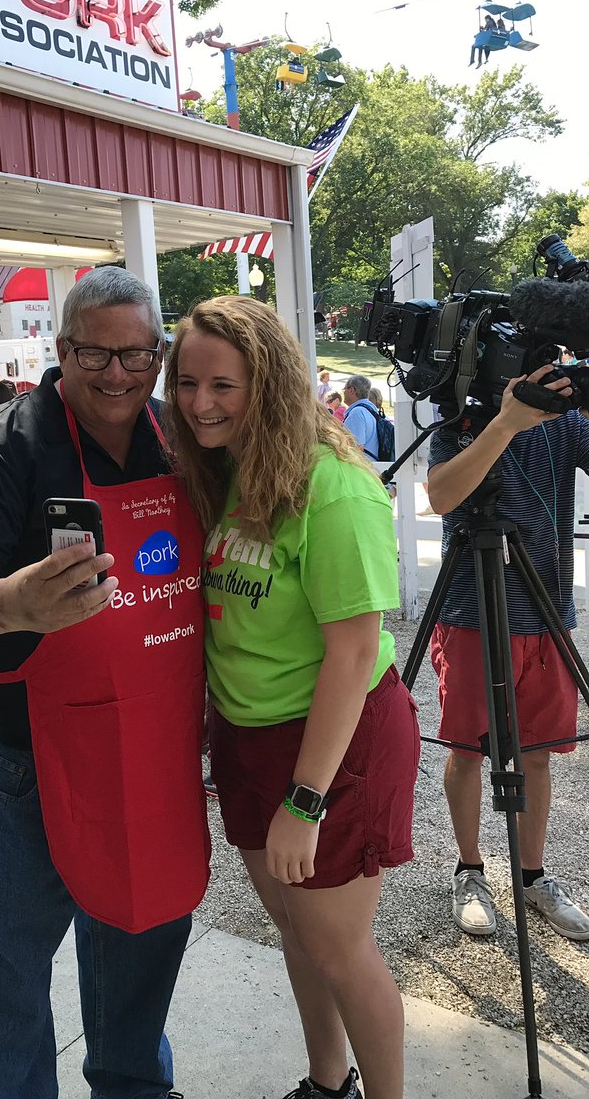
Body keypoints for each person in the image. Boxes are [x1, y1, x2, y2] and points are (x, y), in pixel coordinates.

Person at [0, 266, 210, 1099]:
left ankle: (133, 1086)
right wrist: (15, 600)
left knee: (144, 928)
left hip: (151, 742)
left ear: (158, 354)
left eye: (137, 356)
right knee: (13, 950)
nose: (118, 375)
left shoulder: (178, 438)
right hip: (29, 754)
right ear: (63, 349)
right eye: (96, 354)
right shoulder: (5, 444)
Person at [165, 296, 420, 1099]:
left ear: (268, 382)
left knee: (342, 950)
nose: (200, 403)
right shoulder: (231, 466)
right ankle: (326, 1082)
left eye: (223, 385)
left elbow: (351, 655)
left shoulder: (335, 487)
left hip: (331, 742)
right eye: (186, 382)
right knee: (297, 933)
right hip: (249, 738)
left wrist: (305, 800)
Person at [427, 364, 589, 942]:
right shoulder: (463, 418)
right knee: (469, 749)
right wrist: (505, 423)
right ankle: (470, 870)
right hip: (473, 611)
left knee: (539, 753)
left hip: (547, 610)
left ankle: (533, 877)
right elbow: (443, 496)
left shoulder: (564, 425)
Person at [342, 375, 379, 458]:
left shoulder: (357, 413)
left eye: (345, 389)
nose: (343, 392)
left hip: (362, 466)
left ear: (351, 390)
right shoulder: (370, 409)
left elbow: (356, 447)